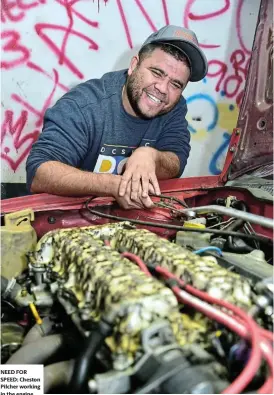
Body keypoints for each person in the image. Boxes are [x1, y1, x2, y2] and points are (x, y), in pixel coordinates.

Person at [26, 25, 208, 210]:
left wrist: (151, 156)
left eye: (175, 84)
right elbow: (39, 173)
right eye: (156, 72)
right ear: (133, 65)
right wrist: (114, 185)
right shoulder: (85, 105)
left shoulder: (173, 107)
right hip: (71, 219)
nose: (162, 88)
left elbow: (176, 160)